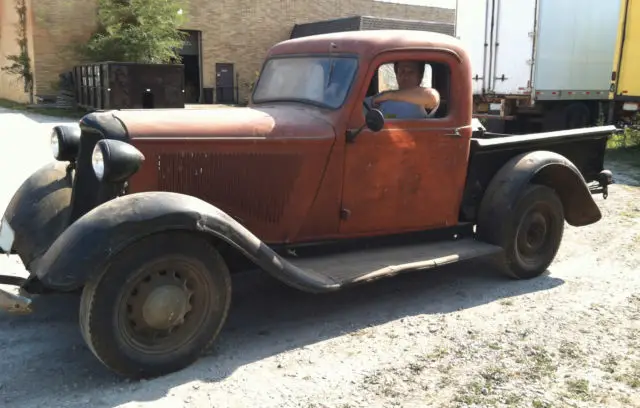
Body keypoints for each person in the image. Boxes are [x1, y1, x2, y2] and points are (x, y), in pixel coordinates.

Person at [365, 60, 440, 119]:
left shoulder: (423, 99)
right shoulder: (382, 97)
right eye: (401, 71)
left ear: (420, 76)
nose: (405, 76)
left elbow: (432, 97)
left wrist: (390, 95)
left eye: (410, 72)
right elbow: (360, 107)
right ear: (396, 74)